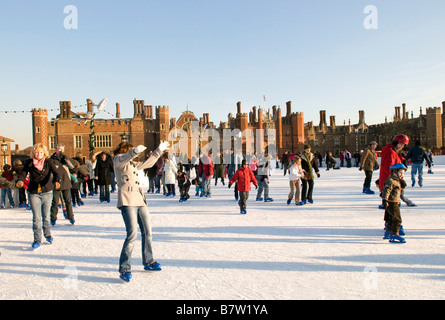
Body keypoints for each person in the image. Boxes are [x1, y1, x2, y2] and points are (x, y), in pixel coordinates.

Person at [113, 140, 169, 282]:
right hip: (127, 200)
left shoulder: (132, 164)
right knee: (132, 235)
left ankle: (148, 261)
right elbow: (125, 157)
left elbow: (148, 164)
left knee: (147, 231)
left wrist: (158, 150)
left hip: (139, 199)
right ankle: (124, 268)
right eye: (130, 150)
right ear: (125, 150)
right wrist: (134, 152)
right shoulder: (118, 160)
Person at [16, 143, 60, 249]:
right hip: (34, 193)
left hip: (47, 192)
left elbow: (57, 173)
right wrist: (20, 180)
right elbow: (23, 173)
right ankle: (37, 239)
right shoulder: (29, 162)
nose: (39, 154)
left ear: (44, 153)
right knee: (36, 218)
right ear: (33, 153)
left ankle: (48, 234)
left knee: (46, 216)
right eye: (37, 152)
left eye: (41, 152)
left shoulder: (49, 162)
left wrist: (56, 182)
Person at [378, 134, 415, 208]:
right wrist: (396, 175)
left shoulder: (394, 151)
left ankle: (400, 202)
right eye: (401, 144)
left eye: (403, 145)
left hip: (394, 176)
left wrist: (403, 161)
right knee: (392, 191)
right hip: (390, 177)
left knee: (396, 192)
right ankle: (387, 203)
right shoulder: (391, 152)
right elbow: (389, 166)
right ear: (396, 142)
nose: (402, 146)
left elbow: (397, 159)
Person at [50, 143, 76, 226]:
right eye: (59, 149)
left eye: (62, 149)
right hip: (56, 183)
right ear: (56, 149)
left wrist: (66, 159)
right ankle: (53, 218)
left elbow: (72, 167)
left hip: (66, 183)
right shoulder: (52, 159)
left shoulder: (65, 158)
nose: (60, 151)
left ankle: (71, 216)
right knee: (55, 202)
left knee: (68, 201)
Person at [382, 163, 408, 243]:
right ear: (394, 172)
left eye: (402, 173)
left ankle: (388, 233)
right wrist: (385, 200)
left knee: (391, 219)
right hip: (392, 202)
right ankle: (394, 234)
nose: (401, 175)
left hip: (395, 201)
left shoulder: (397, 180)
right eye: (400, 173)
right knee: (397, 220)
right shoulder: (391, 180)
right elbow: (387, 190)